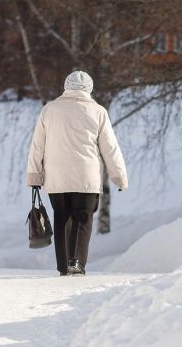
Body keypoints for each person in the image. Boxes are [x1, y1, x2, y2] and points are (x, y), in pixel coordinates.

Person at [25, 71, 128, 276]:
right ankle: (77, 262)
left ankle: (64, 266)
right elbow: (110, 148)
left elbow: (37, 146)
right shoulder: (98, 112)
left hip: (57, 178)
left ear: (66, 86)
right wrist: (119, 176)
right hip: (86, 177)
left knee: (61, 218)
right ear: (89, 88)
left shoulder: (49, 109)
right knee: (82, 219)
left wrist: (34, 175)